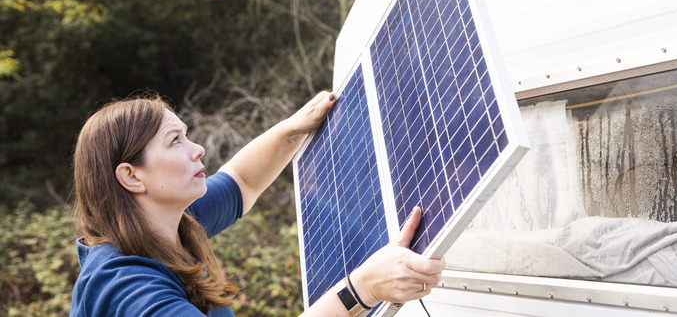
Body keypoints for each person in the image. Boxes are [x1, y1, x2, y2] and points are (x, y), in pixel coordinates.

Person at [70, 91, 446, 316]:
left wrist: (294, 127)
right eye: (175, 141)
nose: (198, 149)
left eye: (188, 136)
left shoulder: (170, 222)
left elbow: (243, 180)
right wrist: (361, 290)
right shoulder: (125, 285)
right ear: (132, 177)